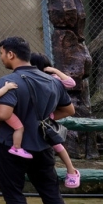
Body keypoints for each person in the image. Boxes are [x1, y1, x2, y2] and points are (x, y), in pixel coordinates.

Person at [0, 37, 82, 204]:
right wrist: (41, 120)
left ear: (11, 54)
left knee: (14, 194)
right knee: (52, 195)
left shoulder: (8, 81)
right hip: (43, 146)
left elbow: (4, 114)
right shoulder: (52, 81)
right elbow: (68, 110)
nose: (1, 57)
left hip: (12, 147)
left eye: (1, 52)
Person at [30, 53, 81, 188]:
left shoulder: (53, 78)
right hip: (40, 116)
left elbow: (71, 83)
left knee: (57, 144)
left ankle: (72, 170)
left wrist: (55, 71)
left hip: (48, 115)